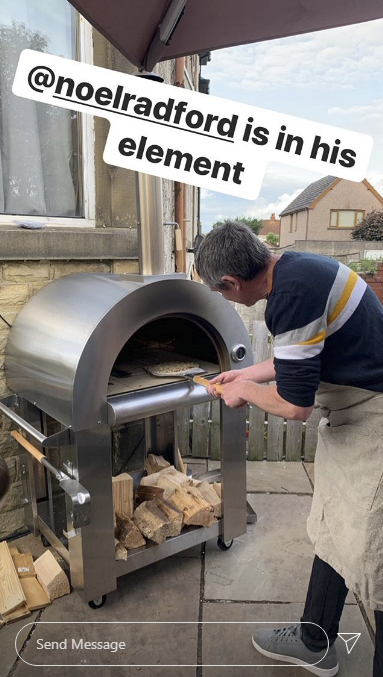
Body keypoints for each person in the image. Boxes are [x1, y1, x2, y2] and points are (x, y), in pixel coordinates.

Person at [195, 220, 383, 677]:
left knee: (374, 554)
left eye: (220, 294)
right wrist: (244, 376)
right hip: (354, 413)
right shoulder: (296, 270)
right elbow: (296, 356)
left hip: (375, 420)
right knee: (333, 524)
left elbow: (294, 406)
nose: (226, 301)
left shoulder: (291, 297)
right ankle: (314, 640)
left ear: (231, 283)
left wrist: (242, 394)